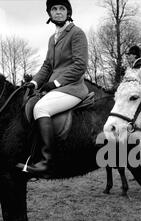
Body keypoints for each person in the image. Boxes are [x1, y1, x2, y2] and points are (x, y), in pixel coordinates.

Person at [17, 0, 88, 176]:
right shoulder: (52, 38)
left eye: (61, 9)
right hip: (56, 89)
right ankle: (31, 153)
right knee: (30, 103)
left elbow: (80, 65)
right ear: (49, 14)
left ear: (68, 12)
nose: (58, 12)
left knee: (41, 108)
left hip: (73, 87)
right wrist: (34, 82)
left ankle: (48, 161)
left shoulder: (77, 33)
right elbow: (47, 66)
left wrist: (55, 83)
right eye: (54, 9)